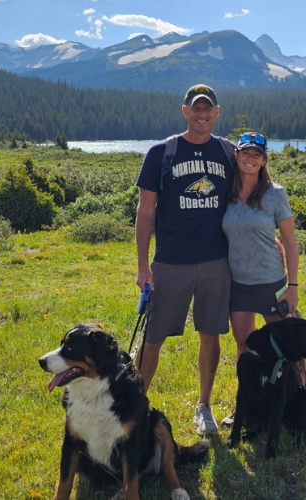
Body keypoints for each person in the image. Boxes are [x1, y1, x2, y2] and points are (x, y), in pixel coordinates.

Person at [134, 84, 234, 435]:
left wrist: (272, 238)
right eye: (196, 108)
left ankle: (203, 405)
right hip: (170, 262)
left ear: (217, 113)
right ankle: (136, 405)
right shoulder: (161, 153)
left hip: (216, 262)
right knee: (153, 336)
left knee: (211, 333)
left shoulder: (229, 153)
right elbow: (145, 212)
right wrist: (143, 265)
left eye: (208, 109)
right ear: (185, 111)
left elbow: (253, 196)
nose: (202, 114)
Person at [221, 132, 306, 428]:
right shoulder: (227, 194)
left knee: (291, 349)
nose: (250, 159)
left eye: (257, 155)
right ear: (237, 156)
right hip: (238, 285)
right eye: (245, 153)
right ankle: (248, 403)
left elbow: (290, 243)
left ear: (265, 160)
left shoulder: (274, 194)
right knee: (246, 351)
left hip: (271, 284)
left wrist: (292, 286)